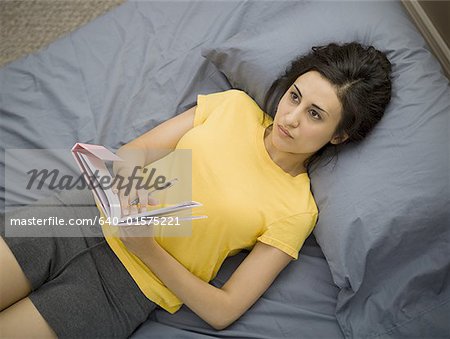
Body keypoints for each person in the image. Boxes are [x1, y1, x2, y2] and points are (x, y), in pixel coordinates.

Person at [0, 42, 392, 338]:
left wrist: (146, 248)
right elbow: (135, 153)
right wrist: (131, 196)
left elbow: (224, 310)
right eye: (295, 96)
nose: (289, 118)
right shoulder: (234, 107)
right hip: (80, 215)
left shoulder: (297, 208)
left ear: (338, 135)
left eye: (314, 114)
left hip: (121, 291)